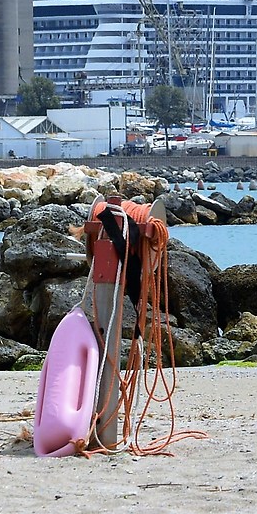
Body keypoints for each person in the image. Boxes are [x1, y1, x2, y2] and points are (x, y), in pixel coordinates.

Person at [76, 191, 165, 450]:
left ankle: (105, 432)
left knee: (110, 350)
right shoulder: (106, 224)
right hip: (114, 249)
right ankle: (100, 430)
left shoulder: (132, 229)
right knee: (104, 346)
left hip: (123, 242)